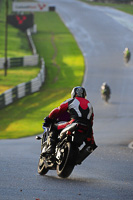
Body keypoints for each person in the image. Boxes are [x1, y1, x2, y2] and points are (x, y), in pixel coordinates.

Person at [43, 86, 97, 154]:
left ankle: (51, 148)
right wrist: (91, 137)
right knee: (91, 144)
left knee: (54, 127)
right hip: (87, 127)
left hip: (74, 122)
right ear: (84, 95)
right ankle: (79, 156)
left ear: (73, 94)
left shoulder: (71, 101)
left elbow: (58, 109)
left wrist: (49, 117)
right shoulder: (89, 104)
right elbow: (91, 120)